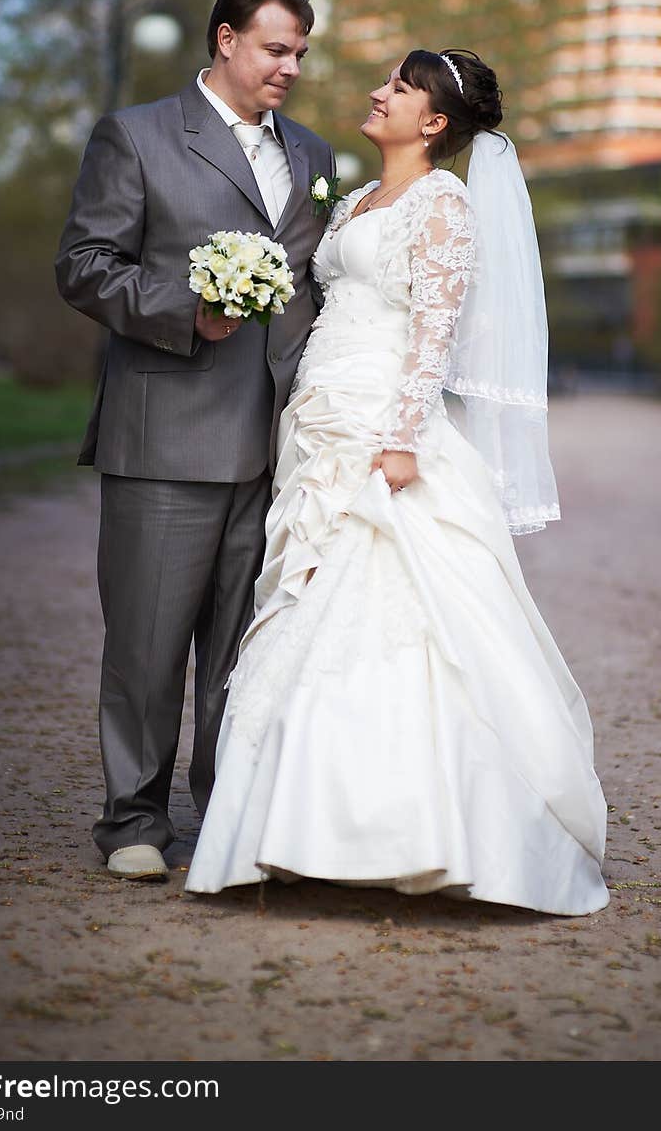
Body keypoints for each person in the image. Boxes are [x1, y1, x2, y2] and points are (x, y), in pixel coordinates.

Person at [186, 48, 609, 915]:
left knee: (392, 607)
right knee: (306, 598)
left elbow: (437, 329)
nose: (378, 94)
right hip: (317, 421)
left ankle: (414, 831)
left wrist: (404, 437)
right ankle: (290, 832)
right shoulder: (349, 204)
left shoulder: (442, 204)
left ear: (435, 123)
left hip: (384, 432)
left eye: (401, 89)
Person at [56, 0, 335, 880]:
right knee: (146, 642)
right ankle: (132, 821)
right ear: (225, 40)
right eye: (274, 47)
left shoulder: (316, 157)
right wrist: (187, 305)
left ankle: (224, 816)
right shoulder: (136, 136)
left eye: (300, 51)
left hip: (276, 444)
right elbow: (86, 265)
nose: (290, 66)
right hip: (166, 429)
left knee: (241, 649)